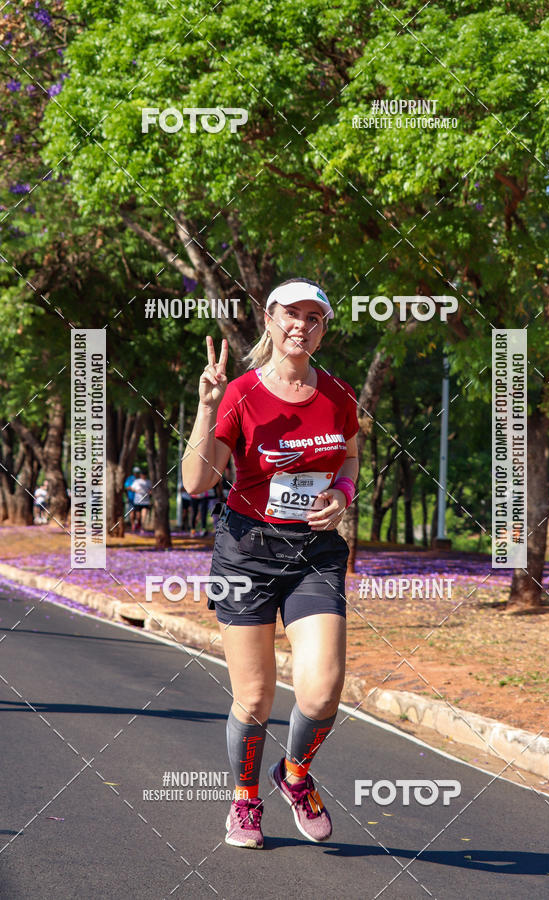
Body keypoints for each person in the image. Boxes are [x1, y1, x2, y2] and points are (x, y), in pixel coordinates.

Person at [182, 278, 359, 850]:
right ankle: (245, 800)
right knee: (255, 698)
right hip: (246, 554)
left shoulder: (338, 393)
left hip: (315, 553)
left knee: (322, 692)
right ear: (270, 319)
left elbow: (350, 456)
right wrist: (207, 407)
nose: (300, 325)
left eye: (313, 317)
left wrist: (343, 494)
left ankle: (296, 775)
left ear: (322, 329)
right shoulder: (238, 392)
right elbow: (196, 481)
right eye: (291, 314)